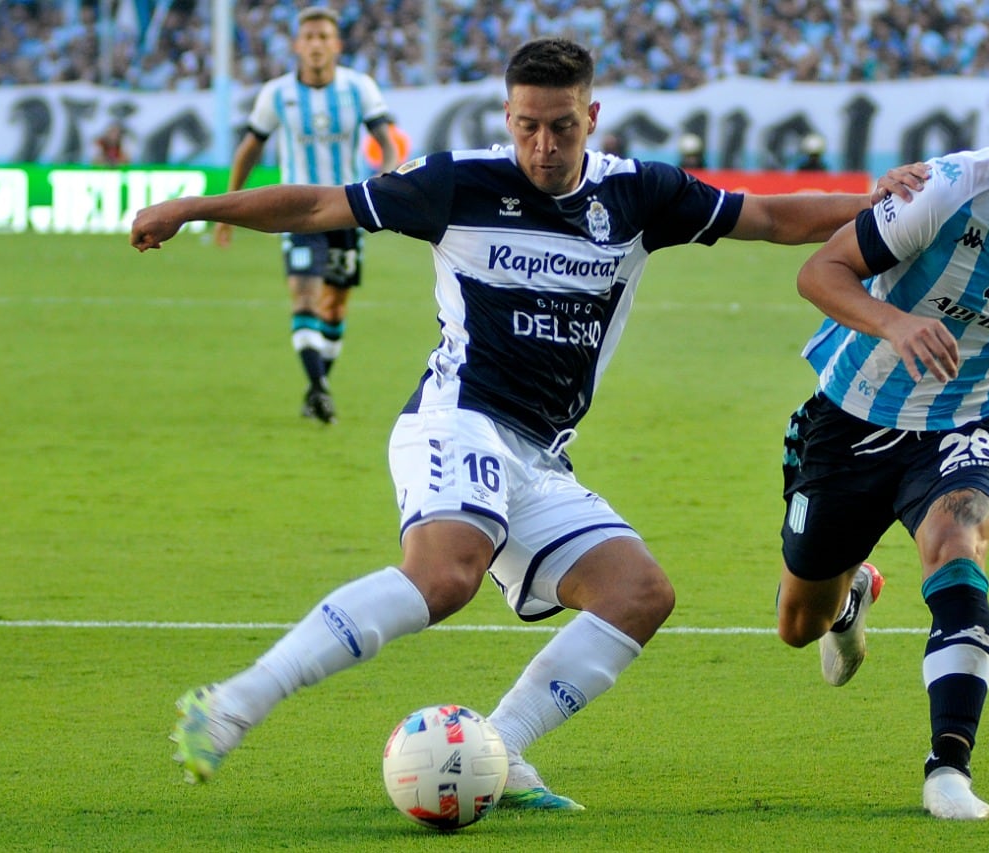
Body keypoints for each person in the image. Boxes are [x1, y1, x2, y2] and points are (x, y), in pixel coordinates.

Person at [131, 38, 928, 811]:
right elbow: (318, 203)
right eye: (527, 126)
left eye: (562, 126)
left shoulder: (637, 194)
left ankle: (499, 748)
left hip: (540, 456)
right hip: (457, 420)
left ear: (592, 117)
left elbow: (771, 217)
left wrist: (879, 207)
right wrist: (195, 206)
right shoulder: (457, 183)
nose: (543, 146)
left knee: (638, 592)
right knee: (445, 575)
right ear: (507, 117)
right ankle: (232, 703)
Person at [773, 52, 989, 821]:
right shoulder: (944, 190)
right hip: (852, 417)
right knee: (799, 625)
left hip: (967, 419)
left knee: (958, 543)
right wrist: (896, 323)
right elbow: (821, 272)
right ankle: (852, 594)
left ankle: (948, 767)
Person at [214, 5, 398, 424]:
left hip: (347, 209)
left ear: (337, 45)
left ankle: (319, 385)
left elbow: (386, 142)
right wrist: (228, 210)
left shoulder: (359, 87)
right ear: (297, 45)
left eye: (323, 37)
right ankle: (318, 388)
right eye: (309, 37)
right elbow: (249, 150)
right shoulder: (276, 93)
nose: (316, 45)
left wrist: (385, 179)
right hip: (296, 212)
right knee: (304, 297)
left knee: (334, 307)